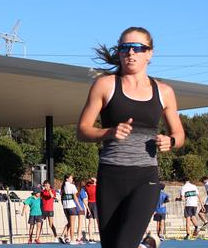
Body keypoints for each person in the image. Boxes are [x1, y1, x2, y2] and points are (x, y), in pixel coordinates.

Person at [76, 27, 185, 248]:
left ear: (150, 53)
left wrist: (170, 141)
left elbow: (180, 134)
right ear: (119, 52)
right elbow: (82, 130)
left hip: (145, 177)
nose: (131, 53)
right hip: (110, 176)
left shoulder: (164, 91)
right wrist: (109, 132)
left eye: (137, 48)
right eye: (125, 48)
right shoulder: (105, 85)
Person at [59, 174, 79, 244]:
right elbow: (75, 197)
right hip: (71, 206)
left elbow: (61, 198)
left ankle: (64, 236)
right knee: (72, 223)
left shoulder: (63, 186)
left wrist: (63, 205)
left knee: (69, 223)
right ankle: (72, 240)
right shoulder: (72, 186)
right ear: (67, 179)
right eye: (71, 178)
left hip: (65, 207)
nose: (72, 179)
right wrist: (79, 206)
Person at [84, 177, 98, 242]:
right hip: (95, 204)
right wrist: (95, 181)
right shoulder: (95, 187)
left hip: (89, 204)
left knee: (90, 222)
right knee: (98, 222)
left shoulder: (87, 187)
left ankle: (90, 237)